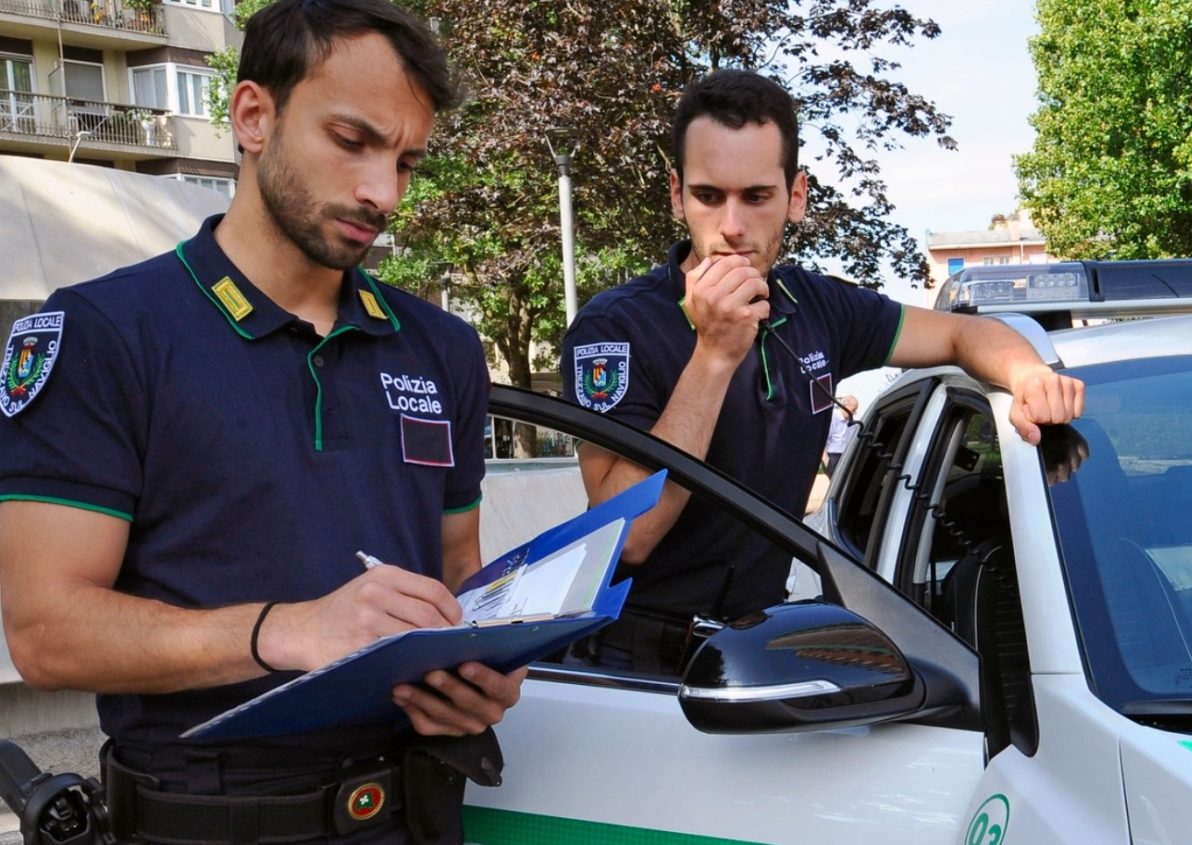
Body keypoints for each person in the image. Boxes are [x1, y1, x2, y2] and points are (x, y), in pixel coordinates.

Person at [0, 2, 523, 842]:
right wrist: (289, 629)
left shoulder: (443, 350)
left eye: (406, 162)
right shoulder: (105, 333)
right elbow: (46, 629)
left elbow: (458, 570)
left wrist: (477, 665)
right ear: (253, 116)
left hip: (416, 810)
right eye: (352, 141)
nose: (382, 193)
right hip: (204, 818)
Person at [559, 69, 1085, 675]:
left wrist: (1028, 375)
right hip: (634, 666)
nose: (731, 226)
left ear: (796, 196)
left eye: (756, 196)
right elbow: (628, 536)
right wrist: (714, 354)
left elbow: (962, 331)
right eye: (709, 196)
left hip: (760, 653)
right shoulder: (614, 329)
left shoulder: (819, 308)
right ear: (677, 195)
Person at [822, 394, 859, 476]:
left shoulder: (852, 423)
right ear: (844, 406)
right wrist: (828, 463)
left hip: (845, 457)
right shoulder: (832, 418)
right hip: (833, 457)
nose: (855, 413)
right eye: (853, 409)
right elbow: (821, 442)